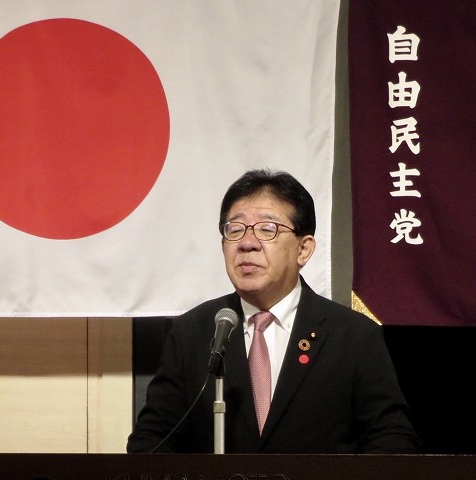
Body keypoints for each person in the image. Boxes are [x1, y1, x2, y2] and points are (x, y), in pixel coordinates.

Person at [127, 169, 420, 454]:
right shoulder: (192, 332)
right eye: (235, 229)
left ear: (303, 250)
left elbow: (392, 440)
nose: (247, 244)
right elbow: (151, 442)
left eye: (267, 229)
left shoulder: (354, 335)